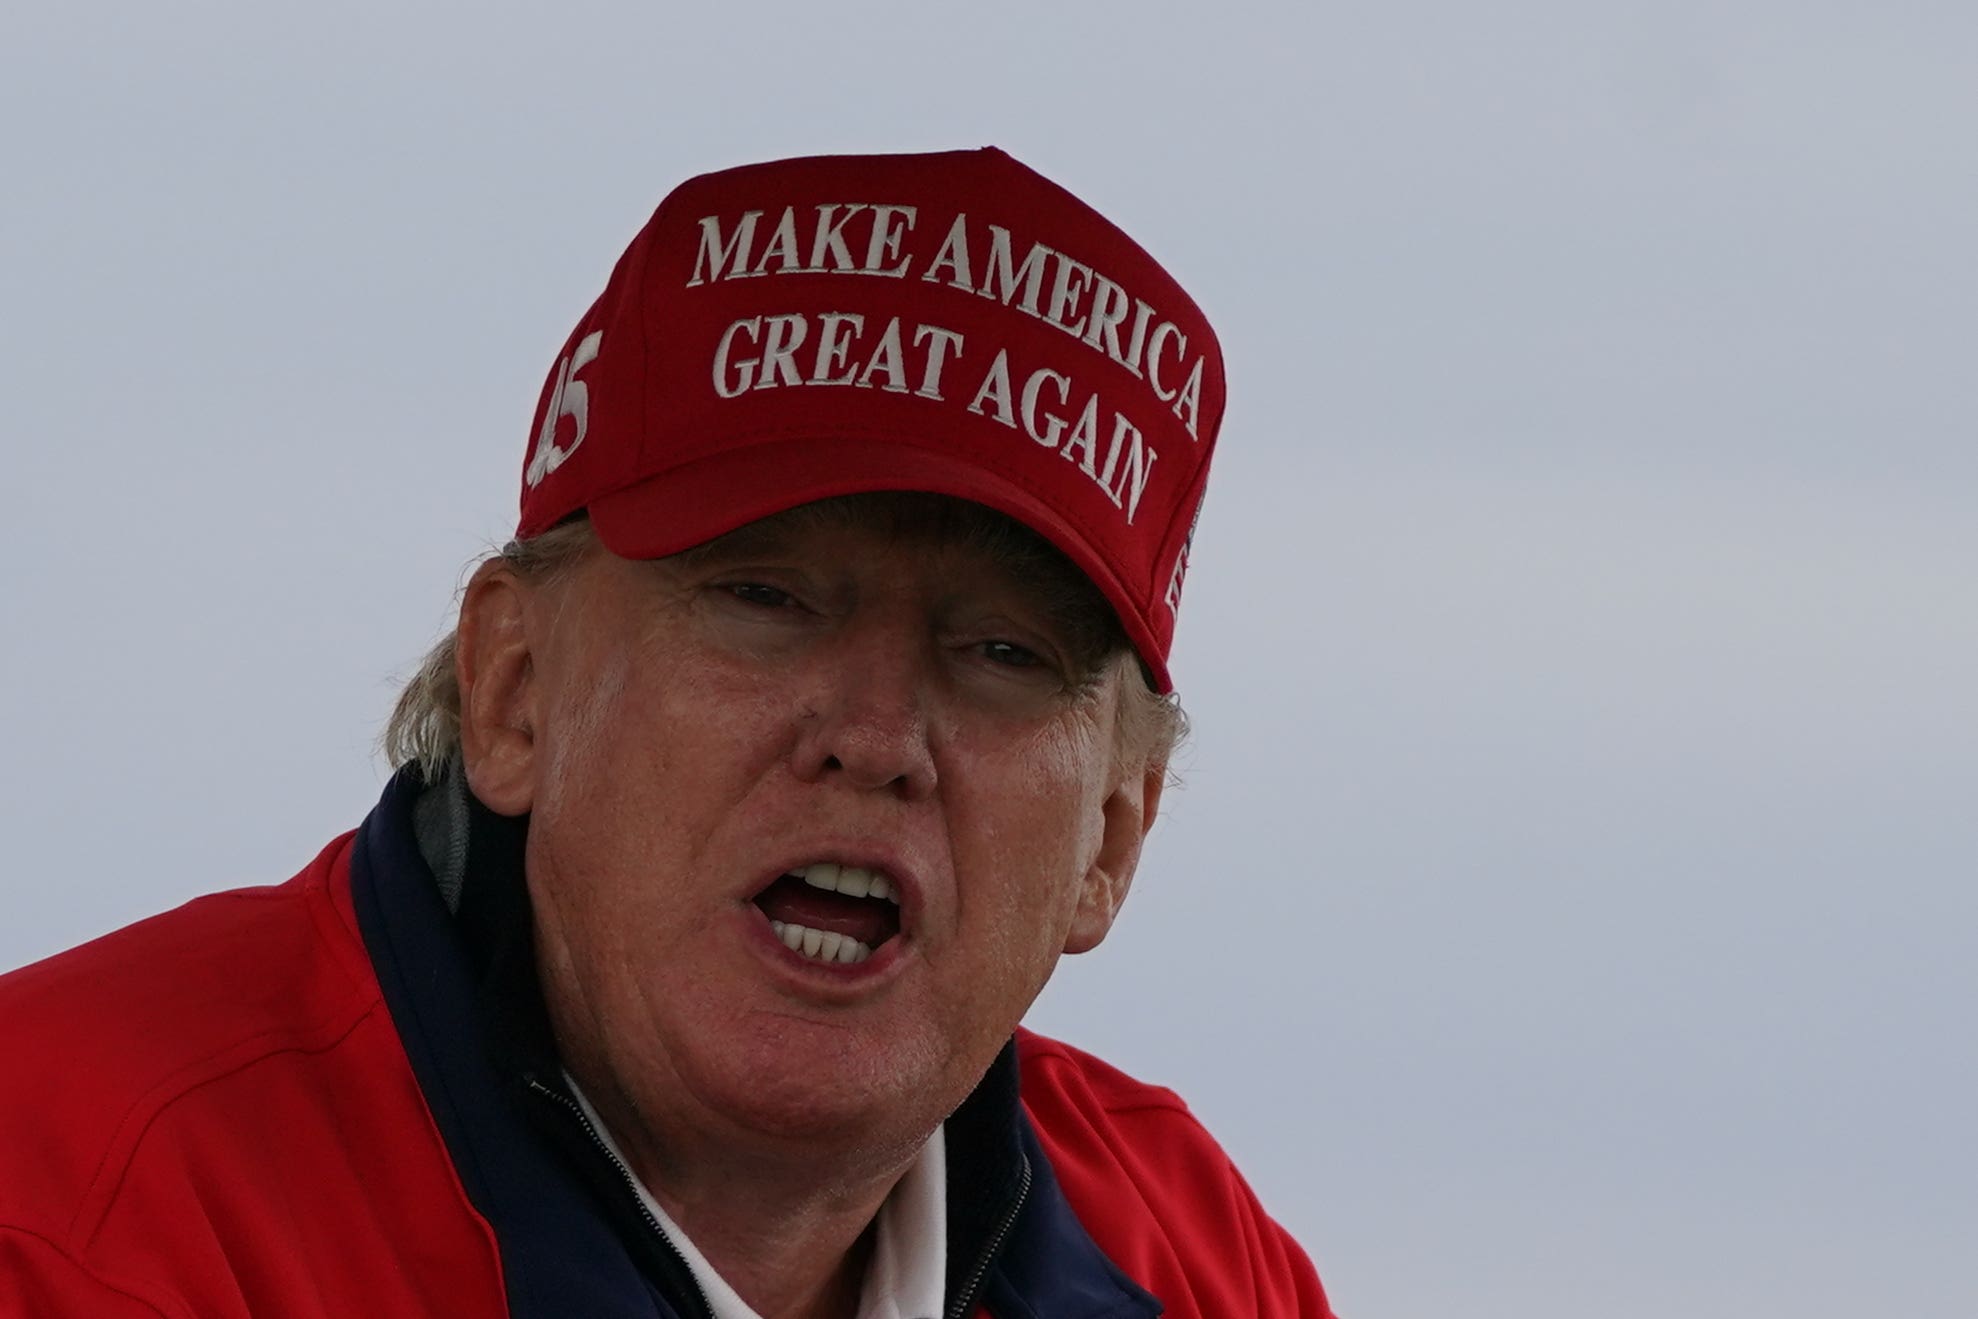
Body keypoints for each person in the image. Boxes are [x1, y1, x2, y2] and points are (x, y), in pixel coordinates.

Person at [0, 147, 1333, 1318]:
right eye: (764, 599)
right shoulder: (76, 1206)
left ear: (1111, 836)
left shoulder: (1190, 1257)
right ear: (511, 690)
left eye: (1002, 654)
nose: (874, 739)